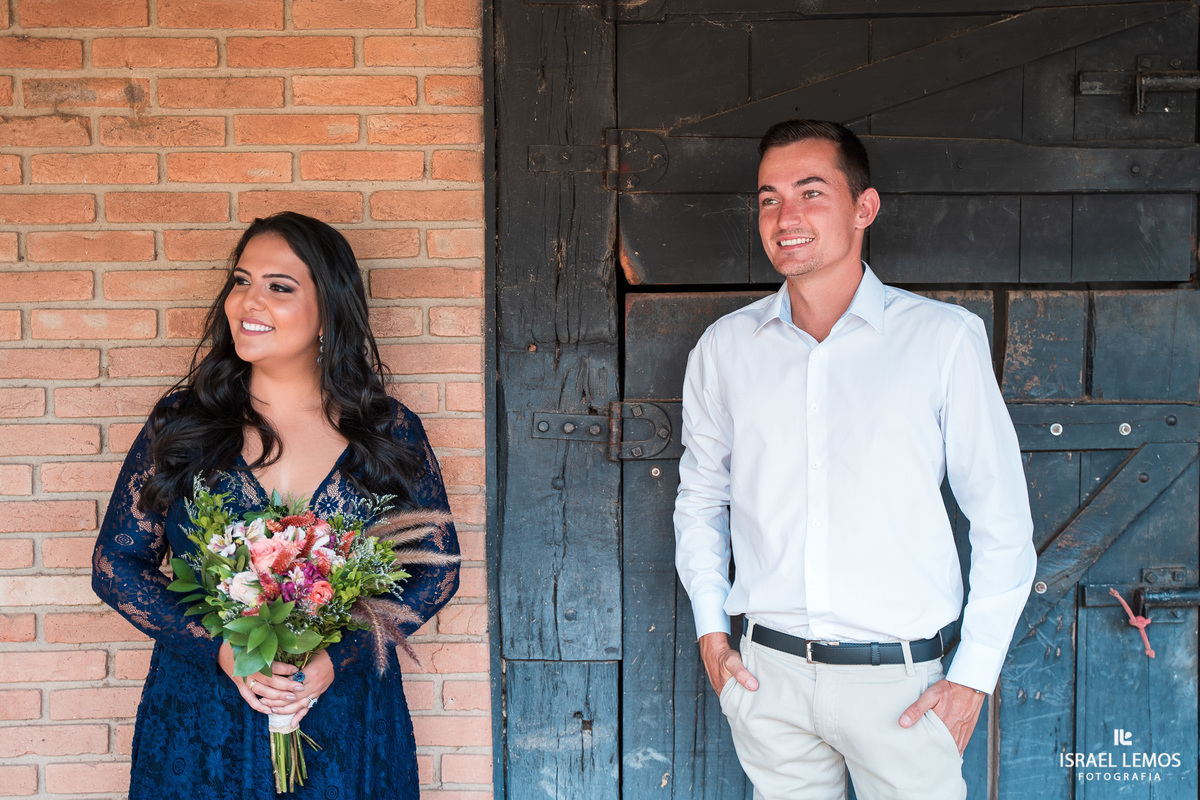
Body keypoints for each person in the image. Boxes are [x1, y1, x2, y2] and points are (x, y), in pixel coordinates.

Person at [673, 120, 1036, 799]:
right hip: (767, 680)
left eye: (811, 193)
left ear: (863, 208)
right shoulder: (725, 349)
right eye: (769, 198)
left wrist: (973, 676)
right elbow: (700, 500)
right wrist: (711, 636)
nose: (786, 217)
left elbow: (1003, 522)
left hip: (902, 690)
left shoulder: (941, 340)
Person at [92, 211, 460, 800]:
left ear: (329, 311)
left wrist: (335, 660)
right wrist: (222, 650)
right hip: (202, 716)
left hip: (342, 712)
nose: (247, 302)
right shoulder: (183, 423)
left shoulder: (386, 430)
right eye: (240, 281)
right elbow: (117, 563)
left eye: (278, 287)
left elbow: (434, 574)